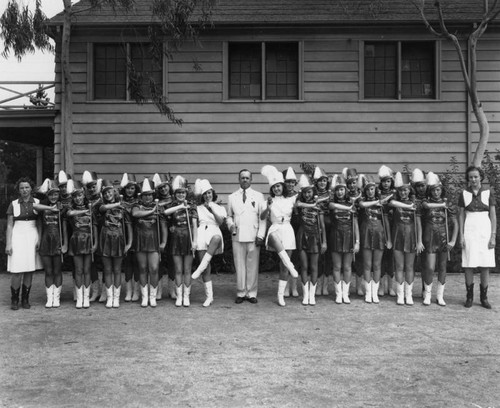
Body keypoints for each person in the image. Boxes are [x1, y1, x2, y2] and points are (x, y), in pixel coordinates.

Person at [260, 165, 299, 307]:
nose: (277, 189)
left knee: (283, 267)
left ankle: (280, 295)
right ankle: (291, 266)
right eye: (274, 187)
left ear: (282, 187)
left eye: (279, 186)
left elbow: (302, 202)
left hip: (287, 229)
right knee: (274, 238)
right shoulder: (268, 201)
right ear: (272, 188)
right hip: (275, 228)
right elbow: (262, 217)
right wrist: (268, 208)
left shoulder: (291, 200)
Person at [226, 169, 267, 304]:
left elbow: (262, 218)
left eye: (247, 178)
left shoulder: (258, 196)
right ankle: (241, 291)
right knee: (239, 264)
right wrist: (230, 224)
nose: (244, 180)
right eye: (242, 178)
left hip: (253, 234)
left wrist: (261, 235)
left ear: (251, 180)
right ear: (239, 179)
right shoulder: (232, 197)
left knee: (252, 265)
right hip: (237, 235)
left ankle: (252, 293)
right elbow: (229, 216)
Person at [459, 165, 496, 309]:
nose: (473, 179)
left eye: (476, 176)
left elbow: (492, 216)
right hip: (469, 230)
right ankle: (469, 297)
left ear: (481, 177)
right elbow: (461, 215)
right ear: (468, 179)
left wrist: (493, 236)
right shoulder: (464, 193)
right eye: (471, 177)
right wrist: (461, 236)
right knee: (469, 263)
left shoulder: (488, 192)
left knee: (485, 264)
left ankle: (484, 298)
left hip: (484, 230)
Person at [5, 177, 43, 310]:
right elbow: (10, 225)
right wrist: (8, 244)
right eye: (22, 188)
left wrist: (39, 238)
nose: (24, 190)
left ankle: (25, 299)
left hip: (32, 235)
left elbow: (39, 223)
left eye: (27, 187)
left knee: (29, 269)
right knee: (17, 270)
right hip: (18, 236)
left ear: (31, 188)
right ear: (19, 190)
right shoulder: (14, 204)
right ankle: (14, 299)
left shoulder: (37, 202)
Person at [421, 172, 458, 306]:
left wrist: (453, 240)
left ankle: (440, 296)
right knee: (430, 267)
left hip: (443, 238)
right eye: (433, 190)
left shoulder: (448, 203)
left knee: (442, 267)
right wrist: (441, 205)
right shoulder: (426, 202)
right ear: (430, 191)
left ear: (441, 190)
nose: (436, 192)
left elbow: (455, 223)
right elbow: (425, 207)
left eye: (438, 190)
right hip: (430, 238)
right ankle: (427, 294)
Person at [389, 172, 424, 305]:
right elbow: (391, 202)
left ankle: (408, 295)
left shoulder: (416, 204)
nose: (403, 192)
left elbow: (419, 224)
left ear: (409, 190)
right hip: (398, 236)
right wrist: (409, 206)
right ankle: (400, 294)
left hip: (411, 237)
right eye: (401, 190)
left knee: (409, 267)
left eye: (406, 190)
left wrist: (419, 241)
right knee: (399, 266)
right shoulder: (395, 202)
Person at [191, 179, 227, 307]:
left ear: (213, 193)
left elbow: (220, 222)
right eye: (205, 193)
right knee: (206, 267)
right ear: (202, 196)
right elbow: (195, 224)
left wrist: (212, 209)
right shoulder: (197, 208)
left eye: (209, 193)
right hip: (201, 233)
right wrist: (194, 241)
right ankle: (209, 297)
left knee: (217, 237)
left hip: (214, 232)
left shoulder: (220, 208)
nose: (207, 196)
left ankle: (199, 269)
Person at [132, 178, 167, 307]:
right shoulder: (137, 206)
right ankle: (144, 297)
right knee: (142, 269)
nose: (147, 198)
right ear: (142, 196)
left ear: (153, 195)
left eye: (150, 195)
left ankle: (152, 296)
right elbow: (135, 214)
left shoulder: (159, 207)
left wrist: (163, 242)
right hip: (141, 240)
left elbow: (163, 226)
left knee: (153, 268)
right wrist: (152, 212)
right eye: (145, 195)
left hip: (154, 241)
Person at [97, 180, 133, 308]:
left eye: (109, 192)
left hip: (119, 239)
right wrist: (118, 204)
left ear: (114, 192)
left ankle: (116, 298)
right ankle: (109, 297)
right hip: (105, 239)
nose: (107, 195)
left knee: (117, 270)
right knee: (107, 270)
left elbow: (128, 227)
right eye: (105, 193)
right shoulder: (101, 206)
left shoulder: (123, 209)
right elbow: (104, 208)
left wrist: (129, 243)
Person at [163, 175, 198, 307]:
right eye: (178, 193)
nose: (181, 195)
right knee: (178, 269)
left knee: (187, 269)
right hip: (176, 239)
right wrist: (180, 207)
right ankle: (179, 296)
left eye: (183, 192)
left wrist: (195, 242)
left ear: (186, 193)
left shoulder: (192, 206)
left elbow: (194, 225)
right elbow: (166, 213)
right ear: (175, 194)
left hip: (188, 238)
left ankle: (186, 296)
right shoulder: (172, 205)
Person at [35, 178, 68, 308]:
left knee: (57, 270)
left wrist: (65, 244)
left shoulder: (62, 207)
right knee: (48, 271)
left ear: (59, 194)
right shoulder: (42, 206)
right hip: (45, 241)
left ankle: (57, 297)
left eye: (56, 194)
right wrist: (39, 240)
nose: (53, 196)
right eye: (51, 194)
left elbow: (64, 227)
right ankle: (50, 298)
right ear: (47, 195)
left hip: (58, 240)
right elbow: (39, 222)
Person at [358, 175, 392, 303]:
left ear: (375, 189)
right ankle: (368, 293)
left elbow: (386, 222)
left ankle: (375, 292)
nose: (370, 191)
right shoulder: (363, 201)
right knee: (367, 265)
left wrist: (388, 239)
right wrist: (378, 202)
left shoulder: (382, 205)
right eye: (367, 189)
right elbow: (362, 205)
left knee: (377, 265)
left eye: (372, 189)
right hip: (366, 233)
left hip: (379, 234)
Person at [66, 180, 98, 308]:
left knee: (87, 269)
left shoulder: (91, 208)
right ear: (73, 198)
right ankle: (79, 298)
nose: (78, 198)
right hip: (76, 240)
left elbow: (94, 227)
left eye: (80, 195)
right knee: (78, 270)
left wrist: (95, 244)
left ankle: (86, 297)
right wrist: (84, 212)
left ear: (83, 195)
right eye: (75, 196)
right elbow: (70, 214)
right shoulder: (71, 208)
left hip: (89, 240)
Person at [295, 174, 327, 305]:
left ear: (313, 192)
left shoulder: (318, 207)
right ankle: (305, 294)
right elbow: (297, 203)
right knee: (304, 266)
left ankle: (312, 295)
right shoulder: (300, 205)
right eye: (305, 192)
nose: (307, 194)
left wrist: (324, 241)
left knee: (314, 267)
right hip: (302, 235)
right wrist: (311, 205)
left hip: (315, 236)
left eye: (309, 192)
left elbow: (323, 226)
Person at [329, 174, 360, 304]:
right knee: (337, 266)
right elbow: (333, 206)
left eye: (342, 189)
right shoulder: (331, 204)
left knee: (347, 267)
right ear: (334, 191)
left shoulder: (351, 203)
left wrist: (357, 241)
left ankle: (345, 293)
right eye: (337, 190)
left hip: (348, 236)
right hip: (336, 236)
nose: (340, 192)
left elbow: (355, 225)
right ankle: (338, 293)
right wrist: (348, 208)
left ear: (345, 190)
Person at [119, 173, 141, 302]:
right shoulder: (120, 202)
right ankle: (128, 290)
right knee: (127, 264)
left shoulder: (139, 202)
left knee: (137, 263)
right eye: (127, 188)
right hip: (124, 234)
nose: (129, 191)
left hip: (138, 233)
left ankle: (136, 291)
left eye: (132, 188)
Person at [312, 166, 333, 296]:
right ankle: (318, 284)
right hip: (315, 226)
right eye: (320, 181)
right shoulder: (312, 194)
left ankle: (326, 285)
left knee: (329, 257)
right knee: (318, 257)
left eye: (324, 180)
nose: (322, 183)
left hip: (331, 226)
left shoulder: (332, 194)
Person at [377, 165, 397, 297]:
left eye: (388, 181)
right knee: (380, 257)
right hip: (379, 227)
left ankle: (391, 286)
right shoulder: (377, 193)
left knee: (391, 257)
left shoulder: (396, 194)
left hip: (394, 226)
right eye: (384, 181)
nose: (386, 184)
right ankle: (380, 286)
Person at [283, 167, 300, 298]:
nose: (290, 184)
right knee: (285, 258)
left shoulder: (299, 196)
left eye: (292, 182)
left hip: (297, 228)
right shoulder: (280, 197)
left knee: (295, 258)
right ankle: (285, 286)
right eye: (287, 182)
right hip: (285, 229)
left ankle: (294, 286)